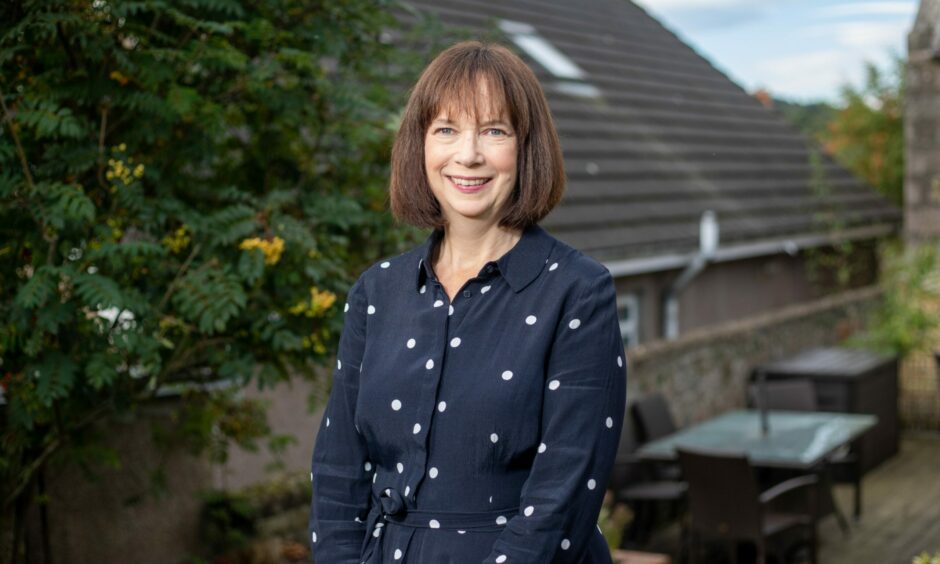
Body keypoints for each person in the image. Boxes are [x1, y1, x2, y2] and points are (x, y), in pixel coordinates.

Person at [308, 41, 626, 563]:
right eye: (447, 129)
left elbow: (562, 495)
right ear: (421, 146)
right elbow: (338, 472)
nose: (468, 154)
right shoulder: (377, 291)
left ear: (527, 148)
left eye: (494, 131)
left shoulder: (578, 292)